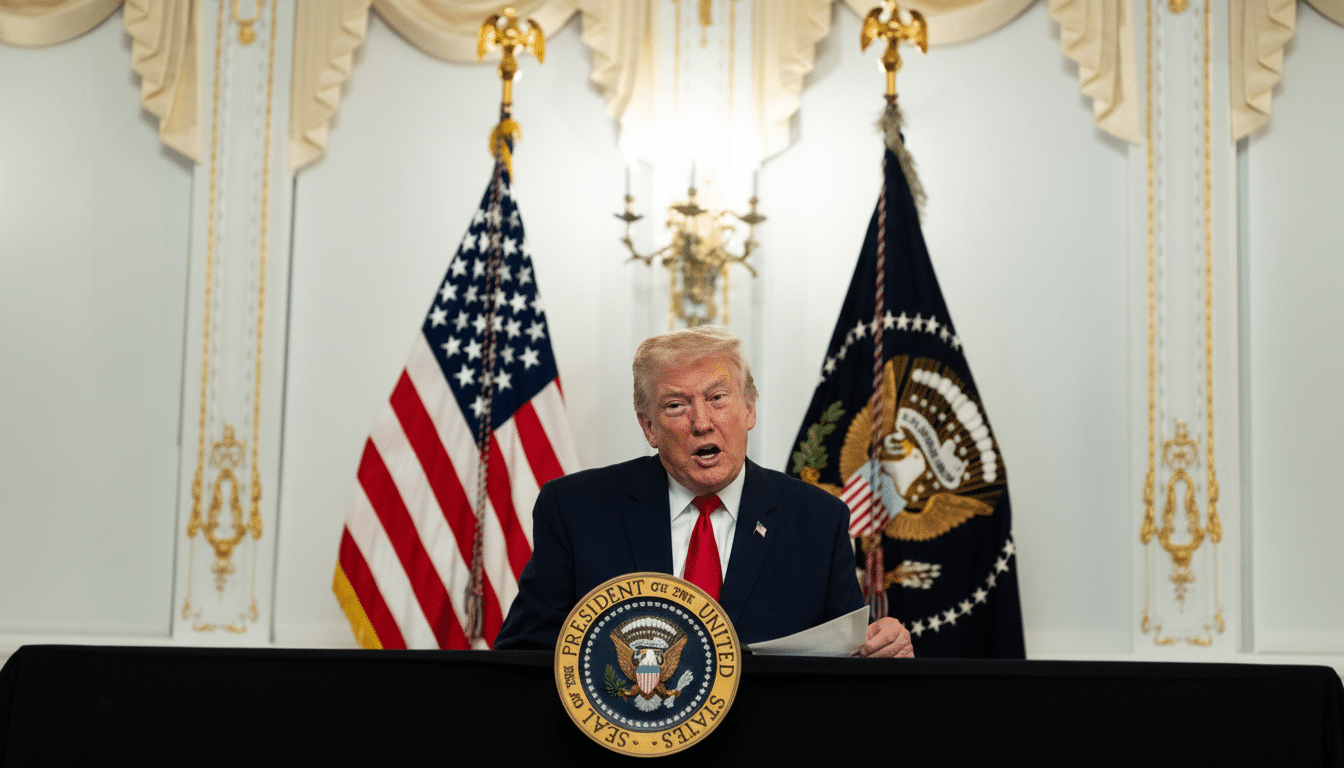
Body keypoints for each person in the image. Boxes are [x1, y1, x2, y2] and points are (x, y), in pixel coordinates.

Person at [494, 326, 913, 658]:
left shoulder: (818, 520)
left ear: (750, 409)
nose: (701, 422)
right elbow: (524, 655)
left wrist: (882, 652)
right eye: (676, 405)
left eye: (717, 398)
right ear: (649, 426)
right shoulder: (577, 510)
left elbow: (847, 658)